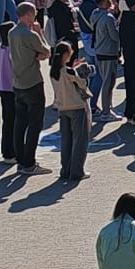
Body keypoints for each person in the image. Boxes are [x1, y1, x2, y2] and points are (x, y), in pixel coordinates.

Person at [4, 1, 49, 170]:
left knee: (20, 123)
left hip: (18, 82)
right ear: (28, 14)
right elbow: (46, 50)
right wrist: (39, 32)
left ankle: (21, 159)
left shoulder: (12, 32)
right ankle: (29, 162)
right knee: (35, 124)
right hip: (32, 81)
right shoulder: (30, 34)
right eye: (34, 13)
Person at [50, 39, 92, 183]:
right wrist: (78, 70)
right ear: (65, 55)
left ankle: (65, 169)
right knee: (80, 140)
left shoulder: (54, 71)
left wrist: (73, 68)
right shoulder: (68, 71)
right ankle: (77, 171)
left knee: (66, 140)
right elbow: (82, 83)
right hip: (76, 107)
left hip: (62, 107)